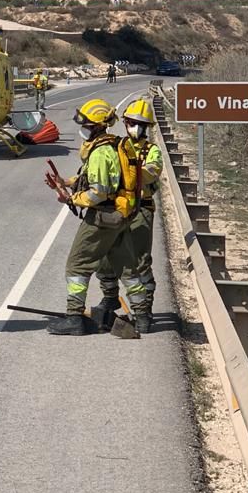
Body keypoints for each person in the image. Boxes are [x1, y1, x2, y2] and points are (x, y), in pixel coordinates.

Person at [46, 98, 141, 336]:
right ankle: (143, 315)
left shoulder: (100, 152)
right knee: (127, 267)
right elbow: (96, 179)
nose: (83, 128)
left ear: (97, 126)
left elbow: (98, 192)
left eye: (86, 124)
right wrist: (65, 182)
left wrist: (71, 199)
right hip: (120, 215)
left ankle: (74, 318)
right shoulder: (113, 145)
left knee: (77, 265)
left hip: (103, 218)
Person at [97, 100, 162, 333]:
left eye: (138, 124)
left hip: (141, 210)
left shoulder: (151, 151)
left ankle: (144, 310)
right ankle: (110, 296)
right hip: (117, 209)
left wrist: (129, 170)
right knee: (104, 256)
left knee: (139, 261)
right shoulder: (119, 147)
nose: (133, 127)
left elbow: (150, 174)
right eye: (130, 122)